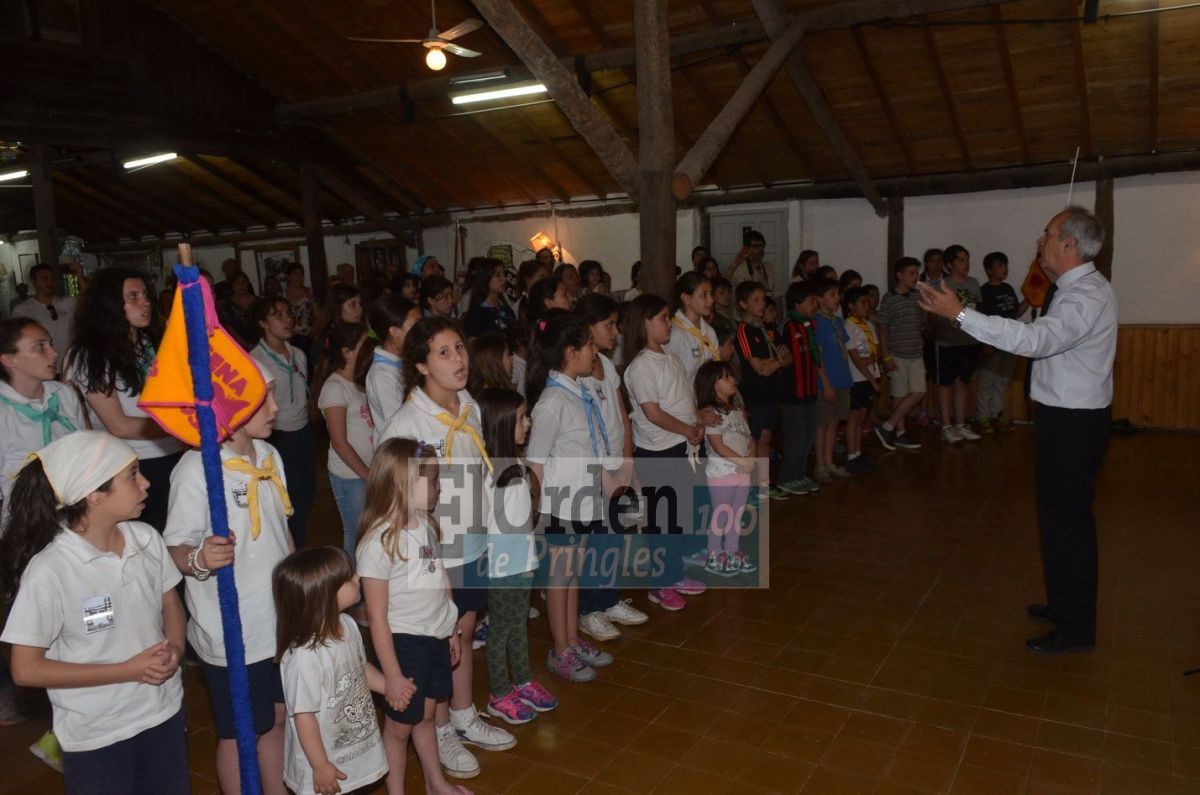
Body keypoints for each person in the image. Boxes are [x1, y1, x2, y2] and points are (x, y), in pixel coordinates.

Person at [918, 207, 1116, 654]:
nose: (1038, 241)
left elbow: (1037, 341)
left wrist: (961, 314)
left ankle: (1077, 628)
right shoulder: (1074, 288)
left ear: (1069, 244)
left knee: (1068, 524)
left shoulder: (1085, 295)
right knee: (1056, 519)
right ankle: (1065, 605)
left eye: (1046, 234)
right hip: (1063, 418)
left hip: (1073, 423)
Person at [0, 432, 188, 795]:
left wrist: (176, 647)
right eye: (132, 475)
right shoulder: (50, 571)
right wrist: (127, 670)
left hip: (161, 711)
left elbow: (170, 602)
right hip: (97, 732)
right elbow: (25, 669)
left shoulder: (146, 539)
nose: (146, 482)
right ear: (94, 493)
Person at [379, 318, 515, 779]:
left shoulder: (469, 405)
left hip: (472, 540)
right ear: (420, 365)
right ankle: (439, 734)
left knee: (465, 629)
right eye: (443, 352)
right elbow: (392, 500)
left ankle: (463, 715)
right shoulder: (406, 423)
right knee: (439, 642)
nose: (458, 359)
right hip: (435, 552)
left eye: (460, 347)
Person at [165, 373, 293, 795]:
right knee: (241, 733)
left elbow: (281, 533)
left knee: (275, 716)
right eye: (264, 400)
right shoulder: (197, 468)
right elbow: (174, 549)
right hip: (234, 628)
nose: (275, 408)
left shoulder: (270, 454)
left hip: (278, 619)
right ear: (229, 409)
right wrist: (200, 558)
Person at [356, 439, 476, 795]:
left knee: (425, 715)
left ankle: (435, 783)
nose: (439, 487)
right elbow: (377, 618)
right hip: (404, 643)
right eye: (433, 480)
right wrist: (391, 675)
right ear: (403, 484)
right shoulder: (378, 543)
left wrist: (451, 628)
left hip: (434, 637)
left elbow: (439, 578)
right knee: (398, 728)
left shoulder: (424, 524)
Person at [524, 313, 616, 681]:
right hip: (561, 505)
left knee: (573, 574)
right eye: (590, 345)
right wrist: (537, 515)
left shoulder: (579, 391)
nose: (595, 349)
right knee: (559, 579)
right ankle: (559, 650)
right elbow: (535, 463)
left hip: (584, 498)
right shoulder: (551, 403)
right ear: (570, 352)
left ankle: (573, 639)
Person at [65, 267, 184, 531]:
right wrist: (180, 426)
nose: (145, 303)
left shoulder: (150, 342)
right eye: (133, 297)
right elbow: (118, 424)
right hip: (134, 465)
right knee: (150, 536)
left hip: (175, 452)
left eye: (145, 295)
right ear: (109, 305)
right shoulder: (90, 355)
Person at [274, 547, 388, 795]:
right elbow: (303, 715)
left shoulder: (347, 625)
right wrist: (320, 765)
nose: (357, 578)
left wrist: (389, 687)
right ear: (324, 596)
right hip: (323, 760)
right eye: (348, 578)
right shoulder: (304, 656)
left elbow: (359, 670)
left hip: (352, 750)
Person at [474, 388, 559, 724]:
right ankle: (499, 693)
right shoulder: (487, 471)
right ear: (501, 423)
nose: (528, 422)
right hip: (501, 567)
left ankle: (522, 680)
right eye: (522, 417)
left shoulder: (517, 463)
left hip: (523, 562)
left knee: (518, 626)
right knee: (500, 631)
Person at [622, 295, 707, 612]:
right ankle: (660, 584)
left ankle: (674, 573)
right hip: (658, 452)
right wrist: (687, 429)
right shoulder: (641, 365)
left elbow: (682, 396)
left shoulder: (668, 357)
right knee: (662, 521)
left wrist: (696, 421)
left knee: (677, 516)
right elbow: (653, 413)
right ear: (644, 323)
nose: (668, 323)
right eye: (662, 317)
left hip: (679, 446)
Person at [576, 295, 646, 636]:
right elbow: (583, 432)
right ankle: (589, 609)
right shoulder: (577, 373)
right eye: (609, 326)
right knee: (598, 541)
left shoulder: (606, 365)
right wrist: (606, 474)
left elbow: (622, 416)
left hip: (618, 464)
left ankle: (609, 599)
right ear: (588, 328)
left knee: (615, 537)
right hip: (595, 471)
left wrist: (628, 462)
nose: (616, 332)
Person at [0, 318, 88, 518]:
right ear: (8, 360)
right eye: (40, 347)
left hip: (75, 512)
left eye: (51, 344)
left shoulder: (64, 394)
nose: (53, 353)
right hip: (26, 522)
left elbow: (84, 449)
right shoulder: (4, 410)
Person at [250, 297, 316, 548]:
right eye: (278, 315)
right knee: (284, 501)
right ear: (263, 323)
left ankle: (298, 549)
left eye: (288, 313)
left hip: (303, 432)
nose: (287, 320)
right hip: (276, 435)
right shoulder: (255, 360)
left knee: (305, 496)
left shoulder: (298, 353)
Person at [314, 323, 374, 557]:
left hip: (367, 471)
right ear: (347, 352)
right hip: (351, 476)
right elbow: (339, 442)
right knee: (356, 533)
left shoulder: (360, 381)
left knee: (369, 532)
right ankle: (353, 586)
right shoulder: (334, 388)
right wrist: (368, 475)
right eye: (364, 346)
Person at [694, 360, 757, 576]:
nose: (733, 380)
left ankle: (731, 550)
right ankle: (714, 553)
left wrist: (751, 459)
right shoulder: (711, 414)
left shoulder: (737, 410)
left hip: (741, 471)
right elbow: (718, 446)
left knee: (737, 514)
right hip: (722, 473)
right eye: (726, 377)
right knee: (721, 514)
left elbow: (749, 438)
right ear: (713, 384)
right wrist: (742, 461)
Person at [733, 281, 790, 500]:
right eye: (755, 300)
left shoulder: (768, 328)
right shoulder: (744, 330)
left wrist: (773, 362)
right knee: (751, 442)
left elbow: (788, 357)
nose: (761, 304)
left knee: (766, 439)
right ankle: (748, 488)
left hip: (771, 393)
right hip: (753, 395)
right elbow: (758, 369)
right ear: (743, 304)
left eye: (763, 299)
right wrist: (778, 361)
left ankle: (764, 484)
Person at [874, 258, 927, 452]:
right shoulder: (889, 299)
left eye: (917, 273)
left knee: (919, 391)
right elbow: (883, 330)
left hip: (916, 353)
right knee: (900, 393)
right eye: (912, 273)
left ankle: (887, 426)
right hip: (896, 354)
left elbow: (922, 323)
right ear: (899, 275)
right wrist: (885, 356)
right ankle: (900, 433)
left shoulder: (917, 297)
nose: (916, 277)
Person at [932, 245, 983, 444]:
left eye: (967, 259)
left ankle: (961, 424)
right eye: (961, 260)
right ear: (949, 264)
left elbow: (978, 310)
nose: (966, 264)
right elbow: (933, 315)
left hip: (969, 340)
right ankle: (946, 425)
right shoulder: (943, 285)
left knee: (963, 382)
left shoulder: (973, 283)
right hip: (947, 342)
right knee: (945, 384)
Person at [777, 282, 822, 496]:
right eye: (811, 300)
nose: (815, 304)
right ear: (797, 303)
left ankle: (799, 473)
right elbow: (782, 358)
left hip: (809, 389)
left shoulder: (809, 325)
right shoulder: (787, 326)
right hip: (792, 391)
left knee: (809, 434)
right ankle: (787, 477)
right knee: (796, 436)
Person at [976, 251, 1026, 432]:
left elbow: (1016, 312)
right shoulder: (984, 291)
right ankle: (982, 417)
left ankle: (996, 414)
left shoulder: (1008, 289)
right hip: (992, 342)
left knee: (1002, 381)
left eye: (1005, 264)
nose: (1004, 268)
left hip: (1010, 341)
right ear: (988, 270)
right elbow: (981, 319)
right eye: (999, 265)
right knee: (987, 380)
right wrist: (985, 343)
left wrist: (1030, 299)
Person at [811, 279, 853, 483]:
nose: (837, 298)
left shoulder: (837, 321)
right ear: (818, 300)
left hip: (841, 380)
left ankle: (829, 462)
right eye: (832, 295)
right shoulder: (817, 323)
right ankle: (820, 465)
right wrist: (825, 383)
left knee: (834, 423)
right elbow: (817, 355)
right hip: (825, 383)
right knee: (822, 424)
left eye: (838, 294)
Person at [362, 295, 421, 430]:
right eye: (416, 324)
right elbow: (400, 424)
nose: (422, 330)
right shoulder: (382, 375)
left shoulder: (404, 360)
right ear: (395, 332)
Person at [842, 287, 882, 474]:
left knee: (862, 417)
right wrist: (872, 379)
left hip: (870, 375)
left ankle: (857, 453)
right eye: (863, 303)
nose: (868, 306)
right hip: (857, 379)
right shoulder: (848, 326)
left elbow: (874, 351)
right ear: (851, 306)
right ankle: (851, 455)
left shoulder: (868, 325)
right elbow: (857, 359)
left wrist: (874, 368)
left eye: (868, 302)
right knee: (854, 417)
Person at [13, 264, 74, 370]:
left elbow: (91, 298)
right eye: (44, 278)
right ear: (34, 281)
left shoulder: (66, 303)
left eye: (52, 278)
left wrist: (80, 276)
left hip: (68, 364)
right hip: (42, 367)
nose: (49, 282)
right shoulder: (23, 309)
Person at [664, 273, 719, 388]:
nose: (711, 301)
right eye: (704, 295)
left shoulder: (709, 331)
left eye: (711, 294)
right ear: (686, 298)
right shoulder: (674, 335)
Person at [464, 260, 516, 339]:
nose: (504, 279)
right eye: (498, 275)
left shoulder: (506, 309)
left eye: (504, 274)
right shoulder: (477, 313)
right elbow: (473, 344)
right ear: (485, 278)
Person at [725, 230, 776, 295]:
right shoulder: (738, 269)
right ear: (746, 249)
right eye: (756, 247)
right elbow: (723, 286)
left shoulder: (770, 268)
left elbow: (778, 295)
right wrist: (734, 265)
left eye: (762, 245)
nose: (761, 249)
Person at [284, 263, 317, 353]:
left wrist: (311, 334)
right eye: (295, 274)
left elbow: (317, 315)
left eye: (301, 274)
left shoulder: (308, 292)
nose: (298, 277)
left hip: (308, 336)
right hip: (288, 337)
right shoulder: (283, 295)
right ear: (288, 276)